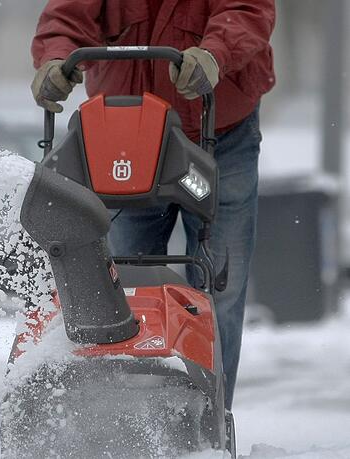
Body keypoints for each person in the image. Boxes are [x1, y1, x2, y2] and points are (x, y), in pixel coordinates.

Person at [30, 1, 275, 410]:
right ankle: (122, 413)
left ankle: (210, 417)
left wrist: (214, 53)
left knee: (218, 290)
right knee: (119, 282)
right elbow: (67, 14)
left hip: (221, 133)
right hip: (127, 135)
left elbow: (246, 10)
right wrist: (55, 59)